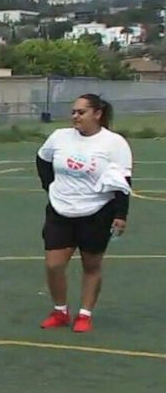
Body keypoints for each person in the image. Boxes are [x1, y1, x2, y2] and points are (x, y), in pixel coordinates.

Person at [36, 94, 133, 333]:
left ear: (97, 114)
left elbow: (122, 181)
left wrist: (121, 215)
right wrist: (49, 186)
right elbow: (42, 159)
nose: (75, 117)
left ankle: (85, 314)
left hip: (97, 212)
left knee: (91, 264)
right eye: (73, 112)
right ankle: (60, 311)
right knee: (54, 264)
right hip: (60, 210)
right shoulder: (59, 137)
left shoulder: (114, 143)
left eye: (81, 112)